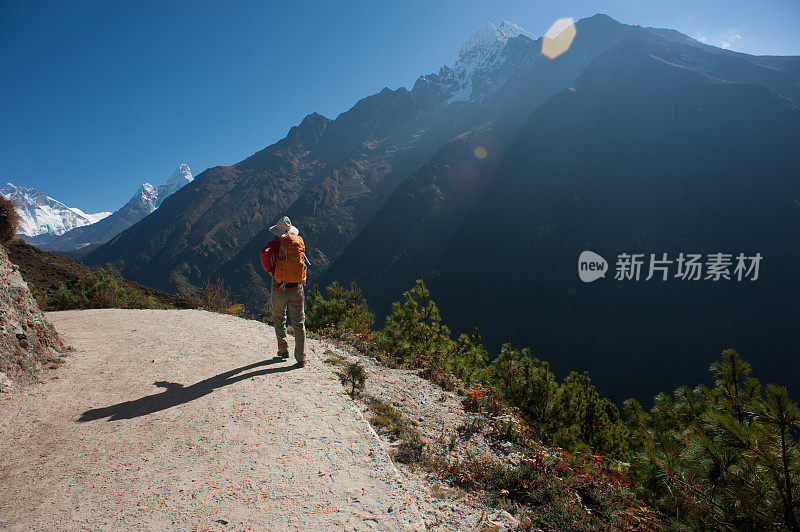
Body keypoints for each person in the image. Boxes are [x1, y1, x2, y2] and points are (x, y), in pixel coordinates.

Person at [265, 216, 307, 367]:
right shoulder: (296, 242)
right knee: (299, 323)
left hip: (279, 288)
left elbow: (264, 253)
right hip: (297, 288)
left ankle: (283, 351)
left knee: (279, 319)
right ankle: (301, 357)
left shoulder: (274, 244)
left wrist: (270, 270)